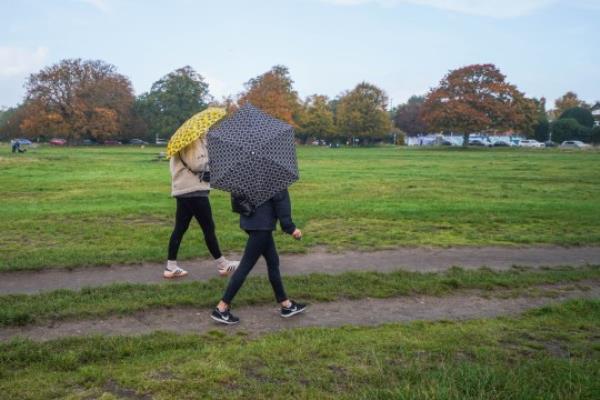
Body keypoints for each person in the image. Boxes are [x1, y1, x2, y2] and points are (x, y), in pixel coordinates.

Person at [210, 189, 306, 325]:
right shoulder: (275, 175)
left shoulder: (247, 172)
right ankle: (222, 307)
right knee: (245, 266)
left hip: (250, 221)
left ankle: (286, 305)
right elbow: (281, 202)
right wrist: (291, 228)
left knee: (273, 262)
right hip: (263, 225)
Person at [166, 137, 238, 279]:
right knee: (208, 227)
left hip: (183, 189)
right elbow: (198, 164)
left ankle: (171, 266)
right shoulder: (192, 141)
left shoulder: (184, 141)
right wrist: (213, 160)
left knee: (180, 228)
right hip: (194, 191)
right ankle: (222, 264)